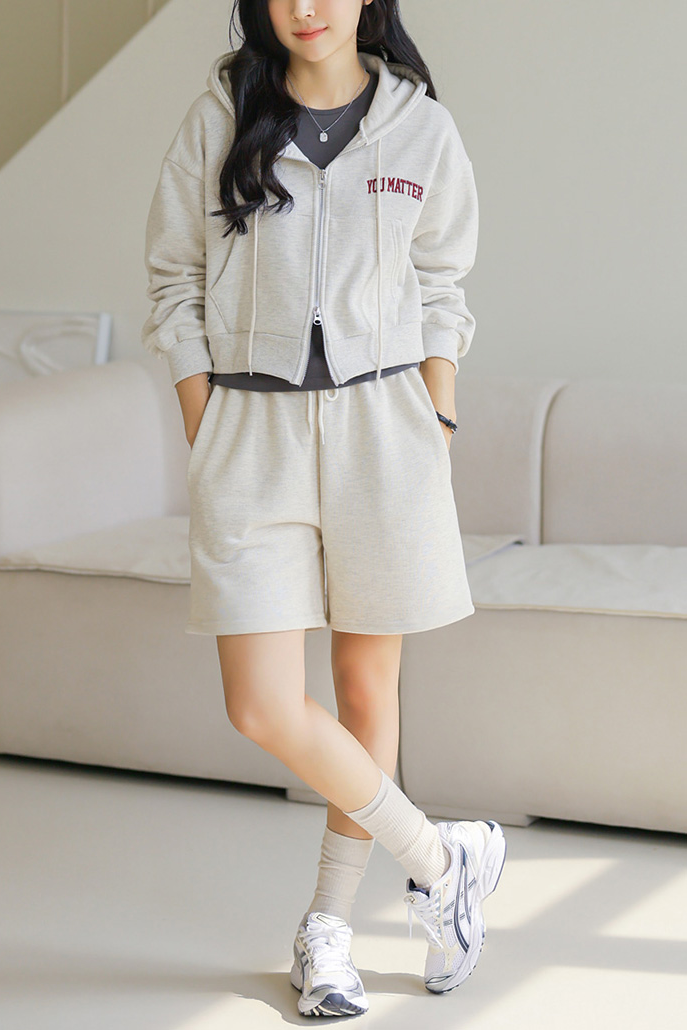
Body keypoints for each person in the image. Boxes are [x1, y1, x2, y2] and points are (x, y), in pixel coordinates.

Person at [141, 0, 506, 1018]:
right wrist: (204, 419)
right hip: (249, 434)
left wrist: (436, 415)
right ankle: (443, 860)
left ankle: (329, 930)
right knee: (260, 703)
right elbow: (173, 278)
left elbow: (443, 284)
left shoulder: (420, 128)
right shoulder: (222, 116)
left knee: (364, 689)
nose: (307, 6)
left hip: (385, 432)